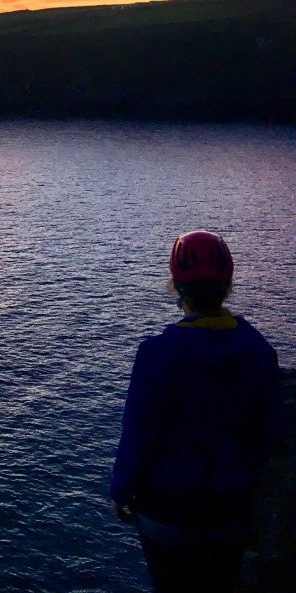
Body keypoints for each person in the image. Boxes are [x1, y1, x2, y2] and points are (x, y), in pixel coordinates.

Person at [110, 230, 283, 593]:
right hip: (230, 505)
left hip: (166, 508)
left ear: (175, 286)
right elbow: (268, 432)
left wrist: (122, 488)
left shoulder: (158, 354)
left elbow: (140, 432)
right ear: (228, 284)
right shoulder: (259, 352)